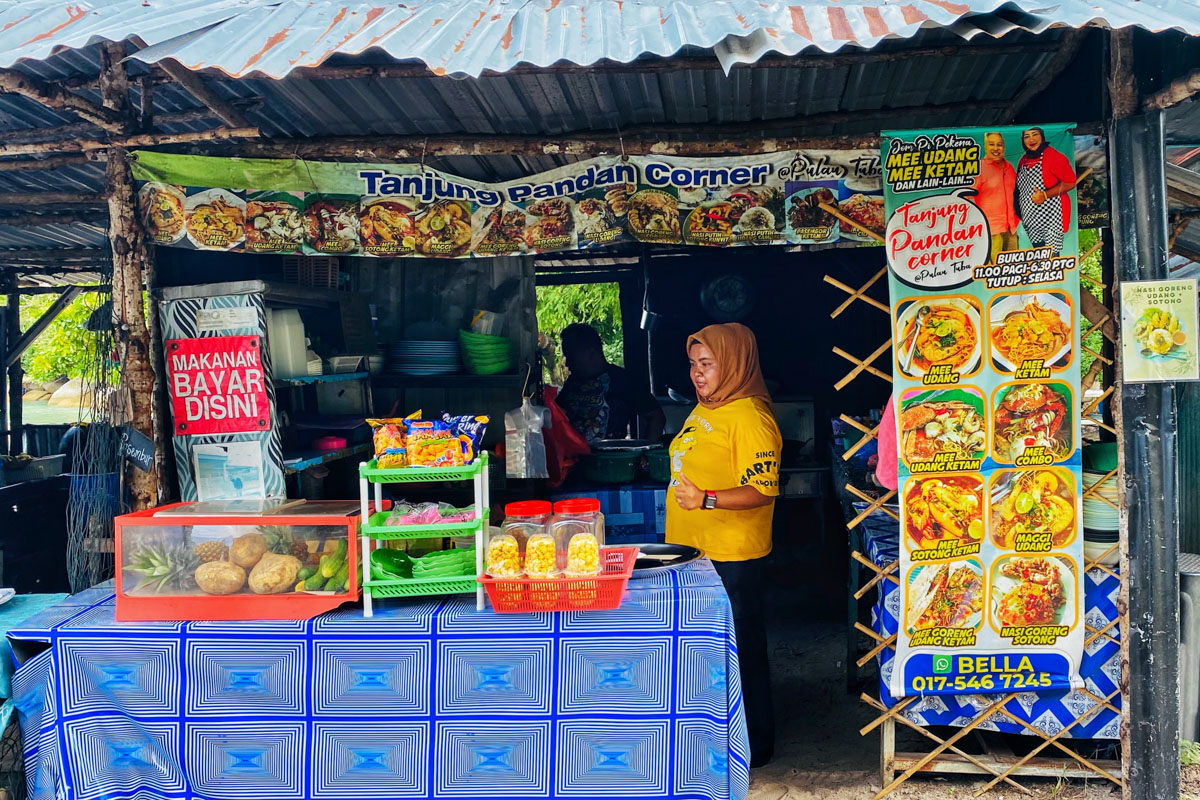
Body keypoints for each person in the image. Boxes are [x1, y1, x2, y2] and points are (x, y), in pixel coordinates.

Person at [665, 323, 782, 767]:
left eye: (708, 365)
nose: (698, 374)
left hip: (733, 556)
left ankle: (757, 747)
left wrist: (706, 499)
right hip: (698, 552)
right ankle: (721, 742)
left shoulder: (751, 416)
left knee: (741, 651)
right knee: (713, 652)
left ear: (733, 364)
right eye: (694, 365)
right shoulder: (707, 408)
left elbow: (764, 489)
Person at [557, 323, 665, 444]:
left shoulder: (624, 380)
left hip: (610, 459)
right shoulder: (572, 383)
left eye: (571, 356)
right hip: (572, 459)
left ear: (591, 352)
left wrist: (644, 454)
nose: (567, 363)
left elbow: (656, 416)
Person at [1015, 127, 1077, 256]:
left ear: (1042, 136)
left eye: (1034, 134)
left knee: (1052, 257)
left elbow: (1070, 181)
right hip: (1031, 219)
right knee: (1040, 256)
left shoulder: (1053, 156)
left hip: (1052, 217)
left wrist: (1045, 195)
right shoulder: (1023, 160)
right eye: (1026, 136)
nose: (1031, 139)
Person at [971, 131, 1018, 260]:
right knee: (995, 275)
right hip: (991, 231)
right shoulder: (979, 167)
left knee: (1013, 272)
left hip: (1011, 229)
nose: (996, 148)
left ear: (1004, 147)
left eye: (999, 144)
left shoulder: (1009, 168)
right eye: (991, 144)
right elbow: (966, 197)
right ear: (985, 147)